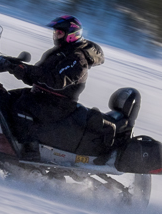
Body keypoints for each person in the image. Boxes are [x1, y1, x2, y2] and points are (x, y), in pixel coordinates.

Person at [7, 15, 108, 153]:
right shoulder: (59, 52)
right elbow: (37, 75)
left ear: (71, 35)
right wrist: (15, 67)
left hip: (59, 105)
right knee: (5, 97)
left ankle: (29, 149)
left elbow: (57, 80)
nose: (55, 36)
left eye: (59, 33)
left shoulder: (77, 58)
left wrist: (27, 70)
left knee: (21, 106)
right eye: (55, 32)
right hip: (43, 96)